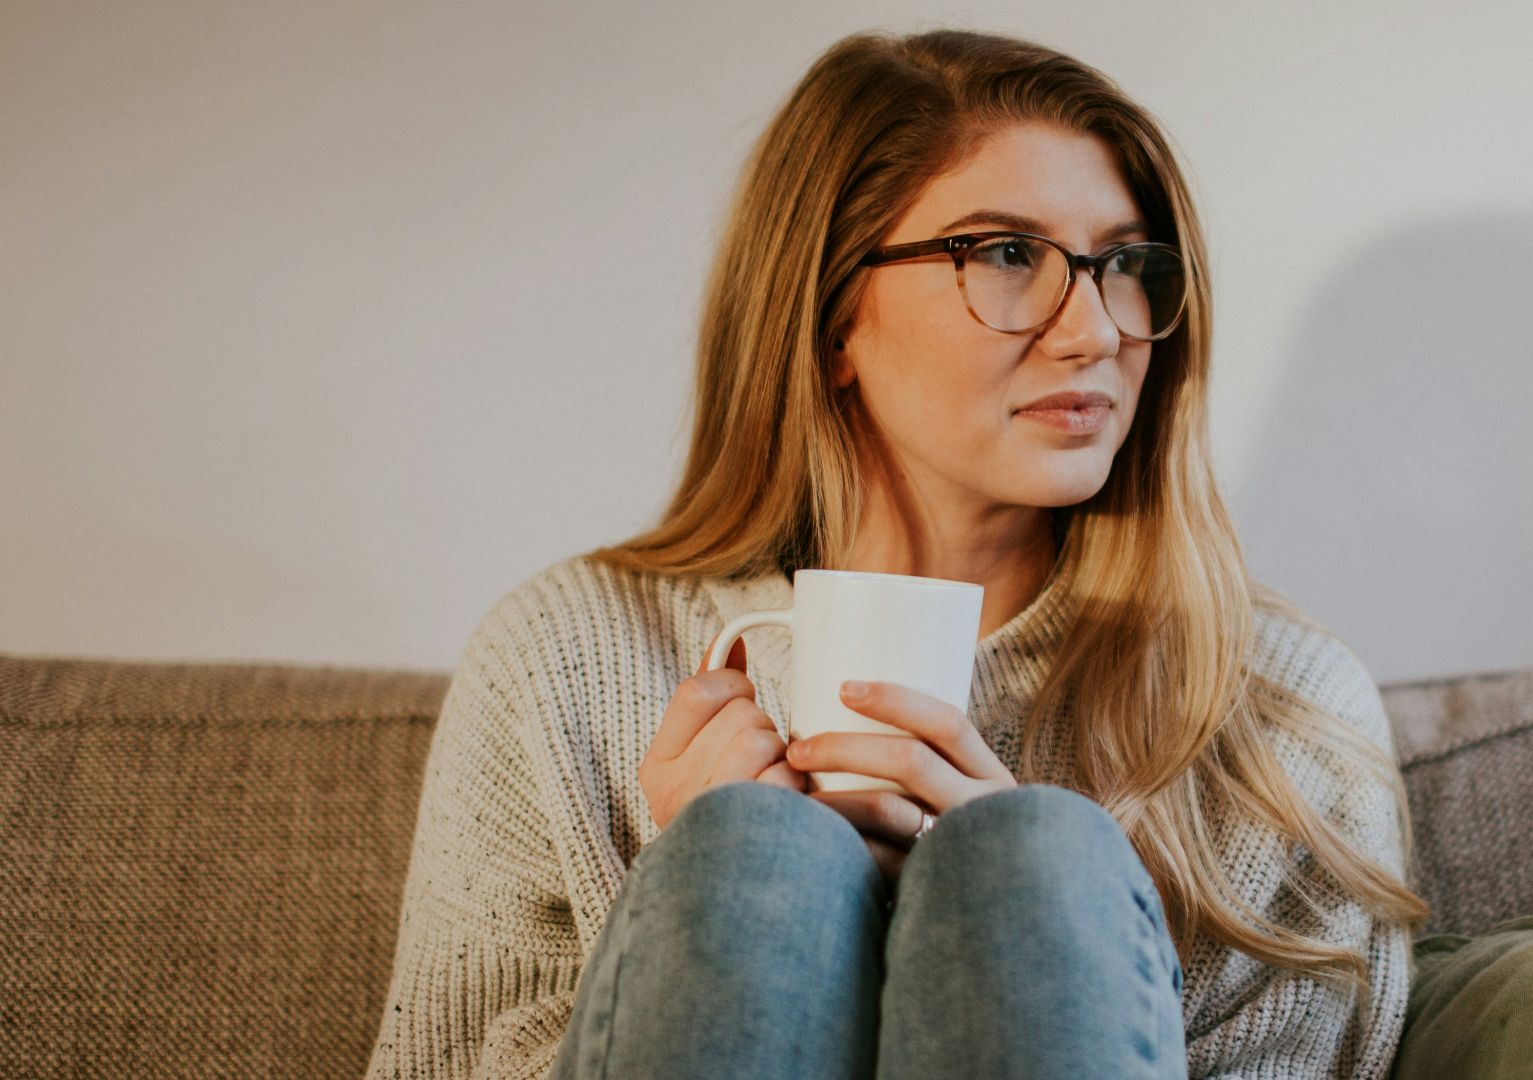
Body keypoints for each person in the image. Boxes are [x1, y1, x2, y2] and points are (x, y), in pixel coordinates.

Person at [365, 26, 1429, 1080]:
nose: (1095, 330)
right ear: (831, 320)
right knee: (751, 855)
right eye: (1009, 255)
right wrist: (709, 902)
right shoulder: (565, 658)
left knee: (1030, 863)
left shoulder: (1277, 710)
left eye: (1124, 264)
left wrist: (1021, 935)